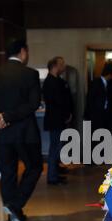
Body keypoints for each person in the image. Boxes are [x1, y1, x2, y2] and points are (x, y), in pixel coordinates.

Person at [0, 39, 43, 221]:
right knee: (34, 167)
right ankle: (15, 205)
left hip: (1, 132)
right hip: (25, 132)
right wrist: (8, 116)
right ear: (23, 52)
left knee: (7, 173)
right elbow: (33, 104)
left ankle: (13, 215)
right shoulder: (30, 74)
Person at [42, 56, 73, 185]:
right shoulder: (50, 82)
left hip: (59, 119)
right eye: (61, 64)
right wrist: (66, 113)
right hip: (55, 120)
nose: (64, 66)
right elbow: (57, 102)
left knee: (57, 147)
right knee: (55, 147)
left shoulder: (57, 81)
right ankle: (52, 177)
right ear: (55, 66)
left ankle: (55, 173)